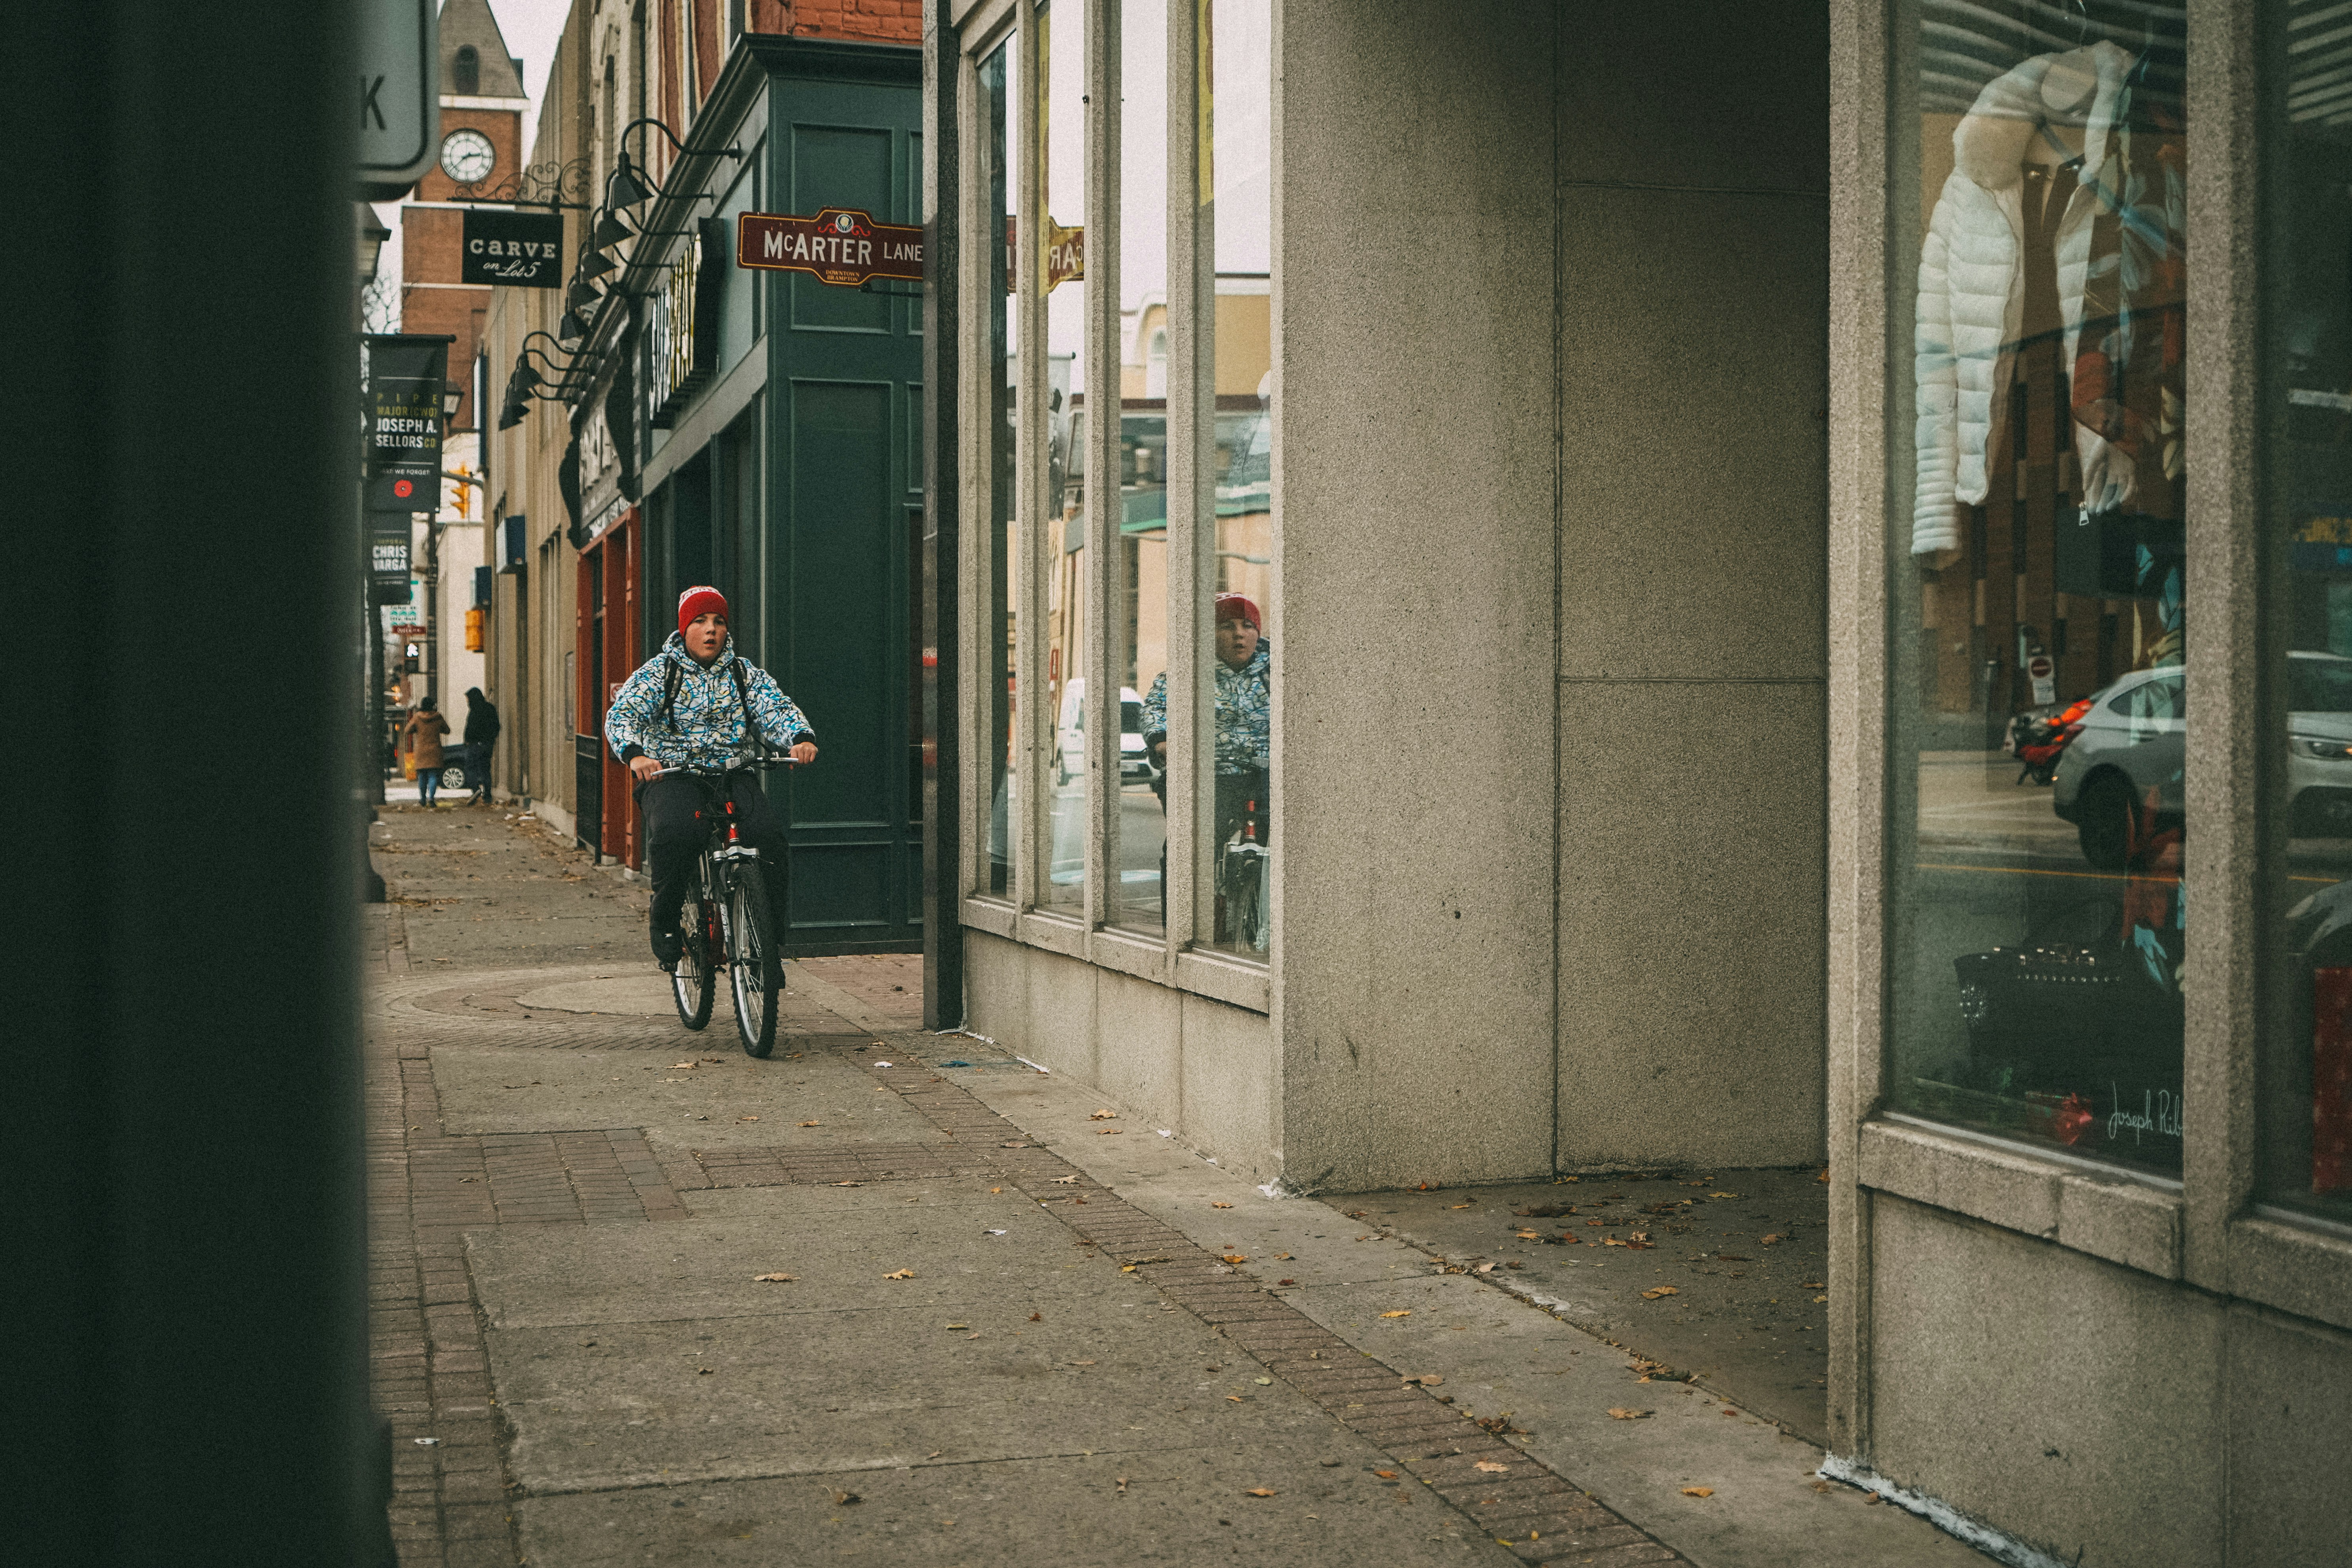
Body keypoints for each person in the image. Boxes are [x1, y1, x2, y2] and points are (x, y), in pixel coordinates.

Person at [604, 587, 818, 971]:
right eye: (700, 621)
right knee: (677, 833)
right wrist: (635, 753)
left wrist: (800, 738)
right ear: (684, 628)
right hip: (672, 774)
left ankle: (767, 943)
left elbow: (776, 709)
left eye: (719, 622)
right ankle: (665, 922)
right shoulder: (659, 673)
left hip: (733, 772)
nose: (711, 630)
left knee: (768, 839)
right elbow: (623, 715)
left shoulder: (742, 672)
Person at [1141, 591, 1272, 852]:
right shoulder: (1185, 672)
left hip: (1262, 776)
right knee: (1186, 852)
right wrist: (1161, 740)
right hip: (1204, 776)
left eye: (1247, 626)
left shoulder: (1274, 673)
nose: (1239, 634)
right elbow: (1156, 708)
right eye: (1226, 626)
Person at [401, 697, 451, 808]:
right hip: (435, 750)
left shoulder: (417, 717)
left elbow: (407, 730)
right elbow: (447, 730)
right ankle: (431, 799)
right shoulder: (438, 717)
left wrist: (417, 730)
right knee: (433, 776)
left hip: (421, 751)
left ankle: (423, 799)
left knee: (422, 776)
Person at [461, 687, 501, 805]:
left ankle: (476, 789)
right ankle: (487, 795)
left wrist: (468, 740)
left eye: (468, 699)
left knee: (470, 768)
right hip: (487, 745)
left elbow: (470, 728)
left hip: (475, 744)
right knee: (485, 770)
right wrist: (491, 739)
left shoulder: (474, 710)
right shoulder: (490, 708)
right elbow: (496, 726)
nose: (467, 701)